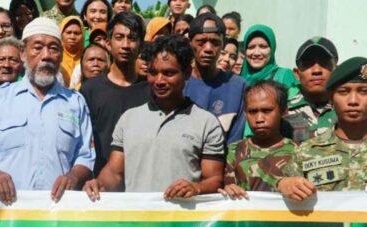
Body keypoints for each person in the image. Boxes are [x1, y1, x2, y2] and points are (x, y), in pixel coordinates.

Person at [0, 18, 95, 205]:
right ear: (22, 53)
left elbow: (85, 156)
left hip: (56, 210)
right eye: (38, 47)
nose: (46, 56)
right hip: (5, 211)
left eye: (53, 48)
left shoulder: (75, 102)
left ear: (61, 55)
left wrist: (73, 177)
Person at [83, 35, 224, 198]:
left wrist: (196, 188)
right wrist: (99, 183)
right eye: (153, 73)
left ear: (186, 73)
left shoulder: (206, 123)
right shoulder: (128, 119)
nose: (159, 81)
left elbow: (214, 179)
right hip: (139, 213)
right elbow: (114, 172)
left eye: (169, 73)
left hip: (183, 214)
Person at [277, 57, 367, 202]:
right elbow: (279, 202)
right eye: (343, 92)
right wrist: (283, 185)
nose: (353, 101)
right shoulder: (305, 152)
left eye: (364, 91)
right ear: (331, 97)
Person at [81, 12, 150, 175]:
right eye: (119, 37)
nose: (125, 45)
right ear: (108, 43)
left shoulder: (151, 90)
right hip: (99, 182)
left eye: (132, 38)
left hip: (140, 180)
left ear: (141, 45)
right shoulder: (90, 90)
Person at [220, 81, 296, 199]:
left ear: (283, 111)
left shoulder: (299, 151)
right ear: (245, 113)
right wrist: (229, 190)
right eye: (252, 111)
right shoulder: (233, 152)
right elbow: (222, 190)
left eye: (267, 111)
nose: (259, 119)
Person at [184, 13, 247, 143]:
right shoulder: (178, 83)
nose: (208, 48)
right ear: (190, 43)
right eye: (201, 42)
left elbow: (235, 143)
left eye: (215, 42)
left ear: (223, 44)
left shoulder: (238, 87)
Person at [284, 37, 339, 143]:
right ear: (297, 73)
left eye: (324, 63)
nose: (316, 70)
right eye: (308, 64)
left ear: (336, 70)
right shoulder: (283, 110)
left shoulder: (348, 109)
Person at [240, 25, 297, 89]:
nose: (257, 53)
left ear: (272, 49)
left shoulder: (283, 76)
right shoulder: (239, 79)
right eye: (251, 47)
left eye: (263, 47)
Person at [59, 16, 85, 87]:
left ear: (83, 35)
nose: (72, 37)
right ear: (61, 34)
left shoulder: (87, 57)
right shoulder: (56, 56)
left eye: (76, 33)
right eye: (68, 32)